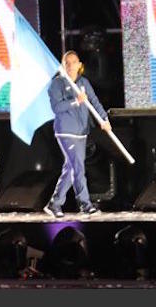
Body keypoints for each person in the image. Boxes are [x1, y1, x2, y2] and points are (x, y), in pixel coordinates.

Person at [43, 50, 111, 218]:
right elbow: (57, 108)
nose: (71, 66)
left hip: (81, 132)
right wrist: (75, 101)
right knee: (78, 167)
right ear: (63, 65)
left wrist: (104, 119)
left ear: (80, 65)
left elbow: (94, 101)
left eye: (74, 62)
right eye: (68, 63)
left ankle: (54, 203)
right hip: (66, 131)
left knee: (71, 167)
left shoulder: (83, 83)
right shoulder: (57, 84)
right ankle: (85, 204)